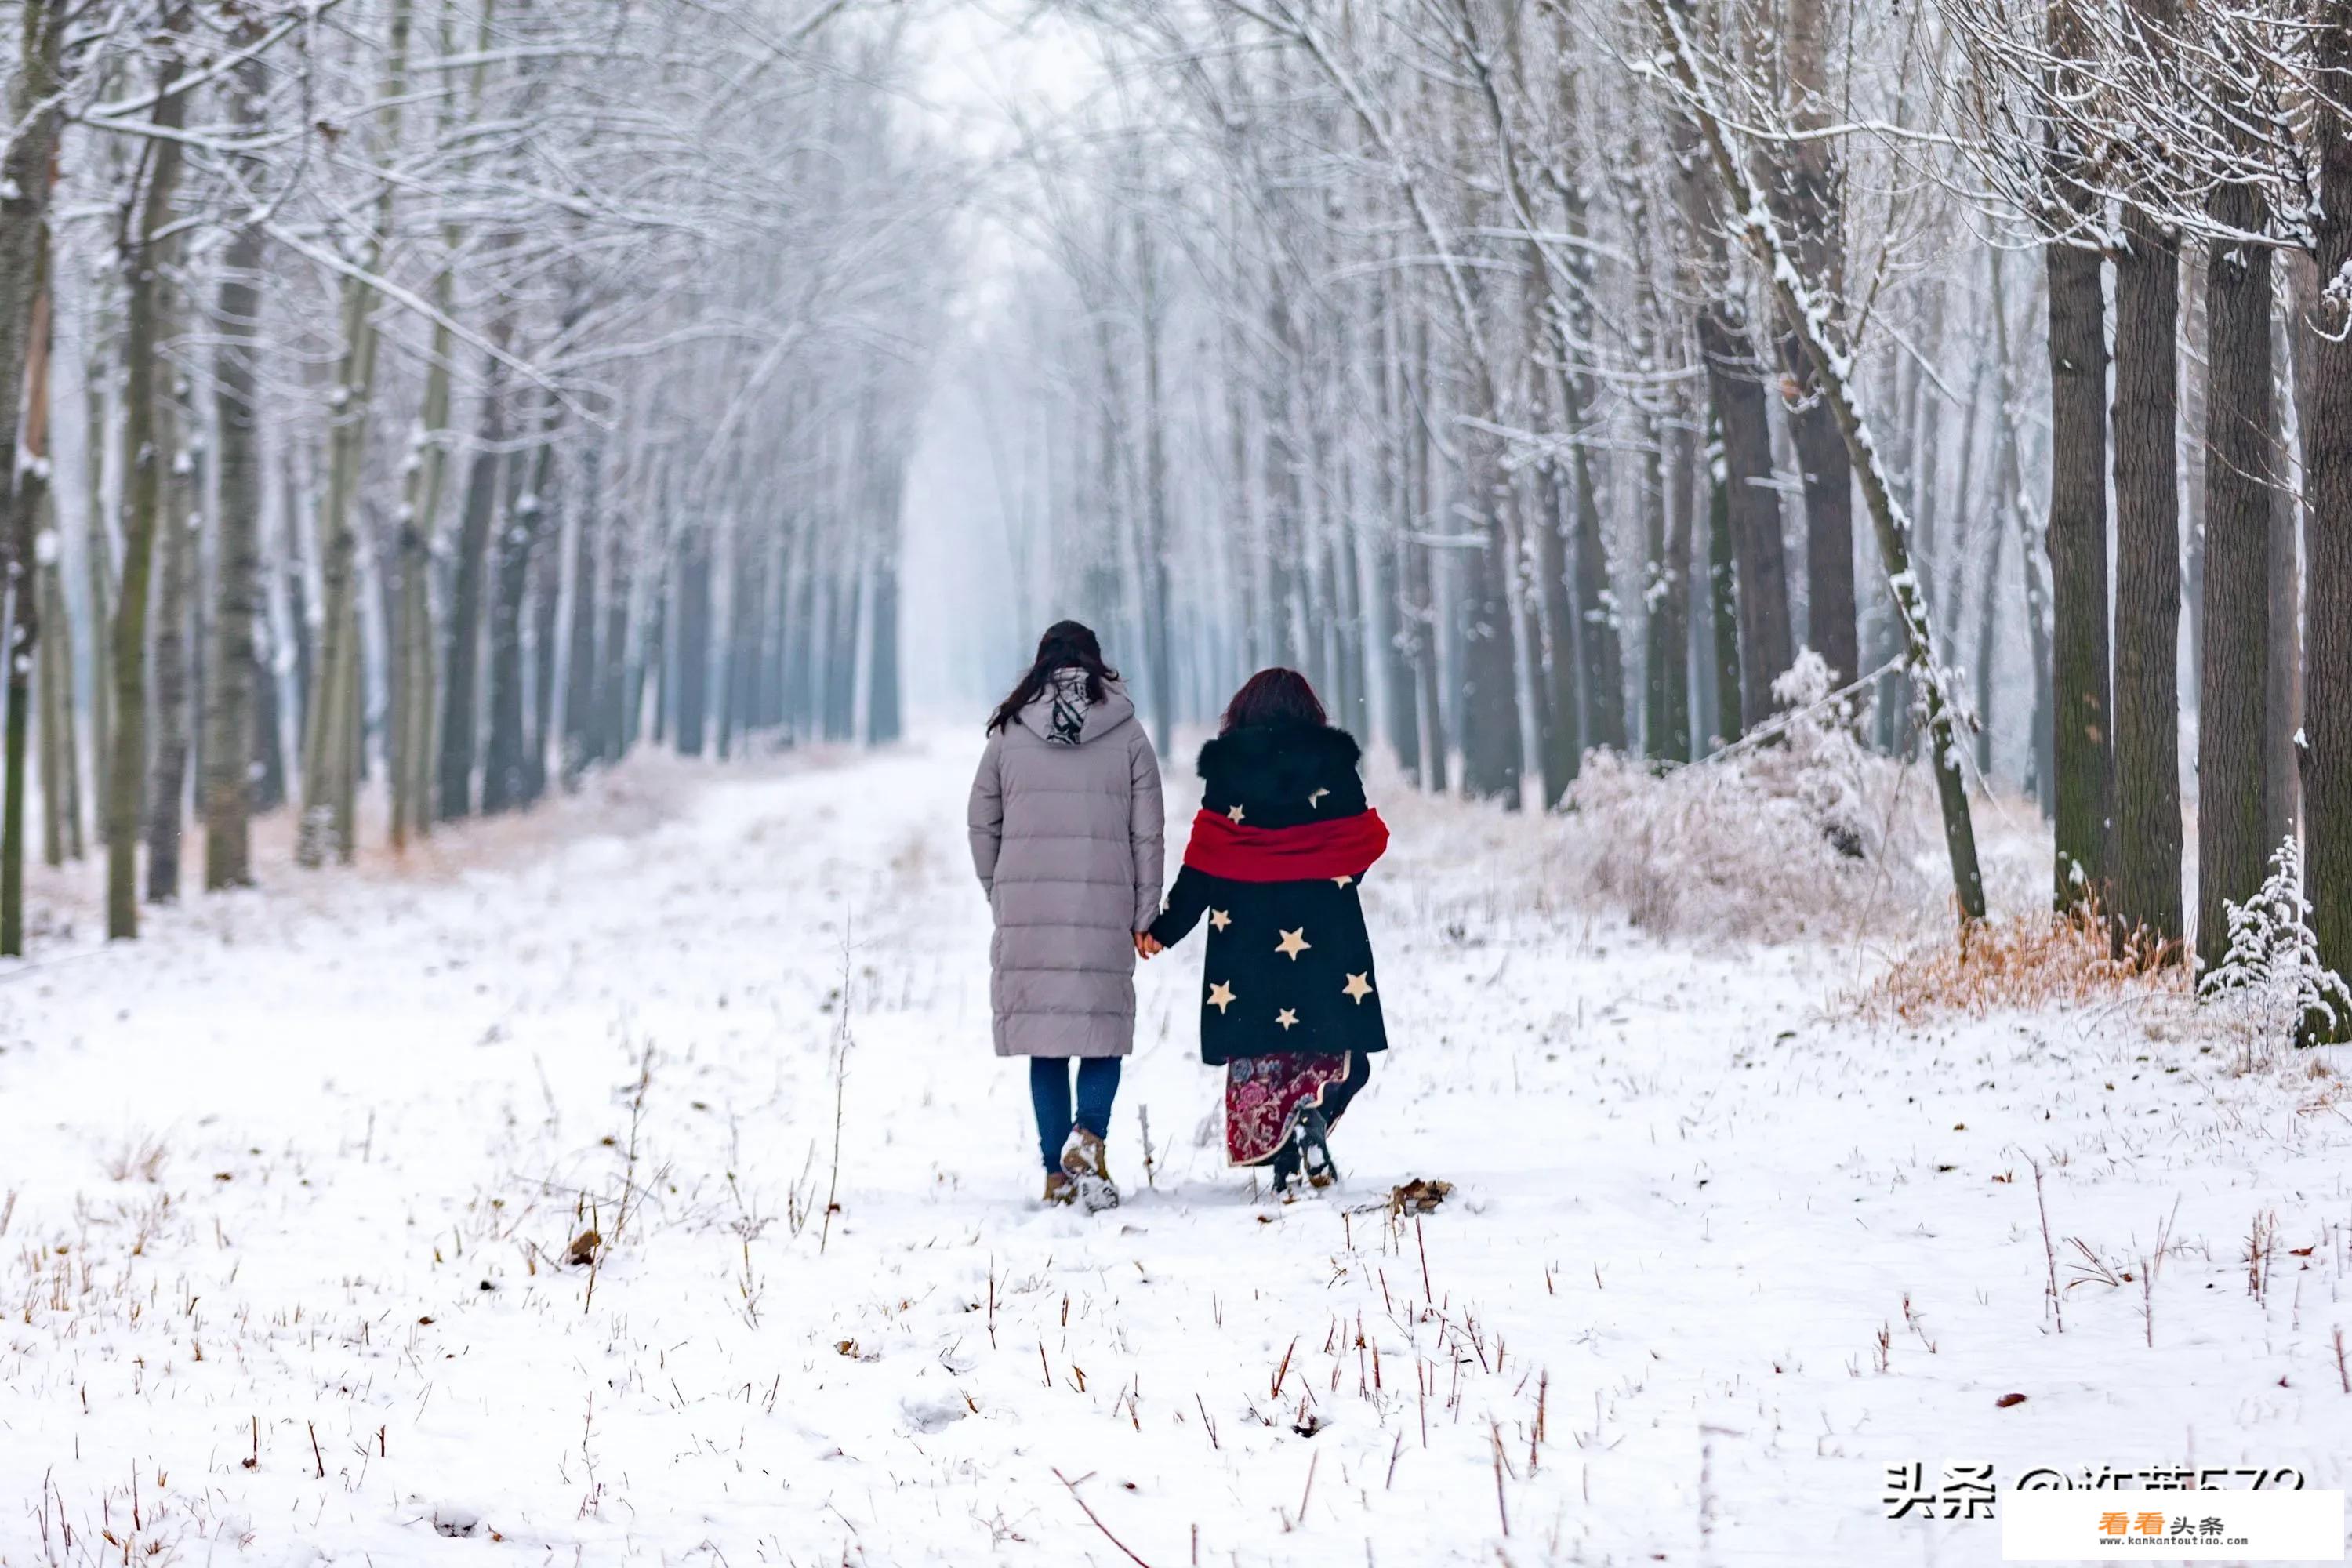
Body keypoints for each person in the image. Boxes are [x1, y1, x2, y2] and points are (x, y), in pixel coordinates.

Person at [1141, 668, 1388, 1195]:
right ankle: (1312, 1118)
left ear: (1243, 711)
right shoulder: (1335, 765)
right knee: (1341, 1056)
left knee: (1266, 1055)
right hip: (1326, 932)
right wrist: (1321, 866)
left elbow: (1205, 860)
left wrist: (1164, 929)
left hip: (1245, 939)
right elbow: (1359, 847)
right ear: (1310, 710)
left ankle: (1287, 1148)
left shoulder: (1229, 772)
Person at [967, 621, 1163, 1210]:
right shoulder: (1127, 732)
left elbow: (982, 822)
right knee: (1101, 1031)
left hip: (1027, 905)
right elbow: (1147, 831)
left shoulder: (1008, 733)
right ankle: (1089, 1135)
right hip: (1103, 904)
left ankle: (1057, 1174)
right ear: (1096, 662)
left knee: (1046, 1043)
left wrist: (999, 889)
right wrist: (1144, 911)